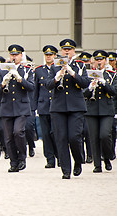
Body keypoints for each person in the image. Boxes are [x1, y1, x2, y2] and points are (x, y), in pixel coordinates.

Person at [45, 39, 90, 179]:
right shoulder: (54, 66)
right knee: (61, 138)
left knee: (75, 137)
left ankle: (78, 160)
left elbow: (85, 83)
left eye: (69, 49)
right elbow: (47, 84)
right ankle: (65, 169)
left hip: (76, 107)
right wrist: (57, 78)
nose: (66, 51)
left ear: (74, 51)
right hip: (58, 107)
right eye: (64, 49)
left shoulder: (80, 66)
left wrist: (72, 73)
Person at [0, 44, 34, 173]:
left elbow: (31, 87)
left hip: (21, 107)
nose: (14, 57)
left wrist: (20, 79)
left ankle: (22, 158)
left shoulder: (27, 70)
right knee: (9, 137)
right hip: (7, 107)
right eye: (12, 54)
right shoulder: (2, 70)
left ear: (21, 56)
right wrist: (3, 83)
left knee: (18, 132)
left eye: (16, 55)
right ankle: (13, 162)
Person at [83, 50, 116, 172]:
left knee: (105, 134)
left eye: (101, 59)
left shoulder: (111, 75)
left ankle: (107, 157)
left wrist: (103, 82)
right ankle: (97, 164)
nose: (98, 61)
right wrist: (90, 87)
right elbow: (83, 94)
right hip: (91, 109)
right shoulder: (88, 75)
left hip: (106, 109)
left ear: (105, 61)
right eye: (96, 59)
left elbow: (114, 91)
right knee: (94, 137)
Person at [34, 45, 59, 168]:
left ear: (55, 55)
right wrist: (34, 107)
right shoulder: (39, 70)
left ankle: (60, 156)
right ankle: (50, 159)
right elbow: (36, 90)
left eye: (51, 55)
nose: (48, 57)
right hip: (43, 105)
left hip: (56, 106)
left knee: (55, 132)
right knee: (46, 135)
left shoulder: (59, 68)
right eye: (46, 55)